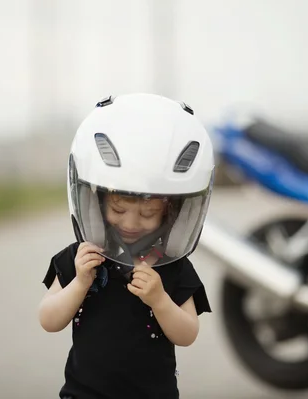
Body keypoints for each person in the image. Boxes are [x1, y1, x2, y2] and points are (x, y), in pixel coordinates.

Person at [38, 93, 215, 399]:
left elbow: (188, 334)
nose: (131, 223)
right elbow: (48, 320)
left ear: (169, 213)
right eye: (119, 211)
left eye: (148, 214)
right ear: (97, 201)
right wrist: (80, 283)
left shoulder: (174, 265)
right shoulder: (79, 258)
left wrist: (160, 300)